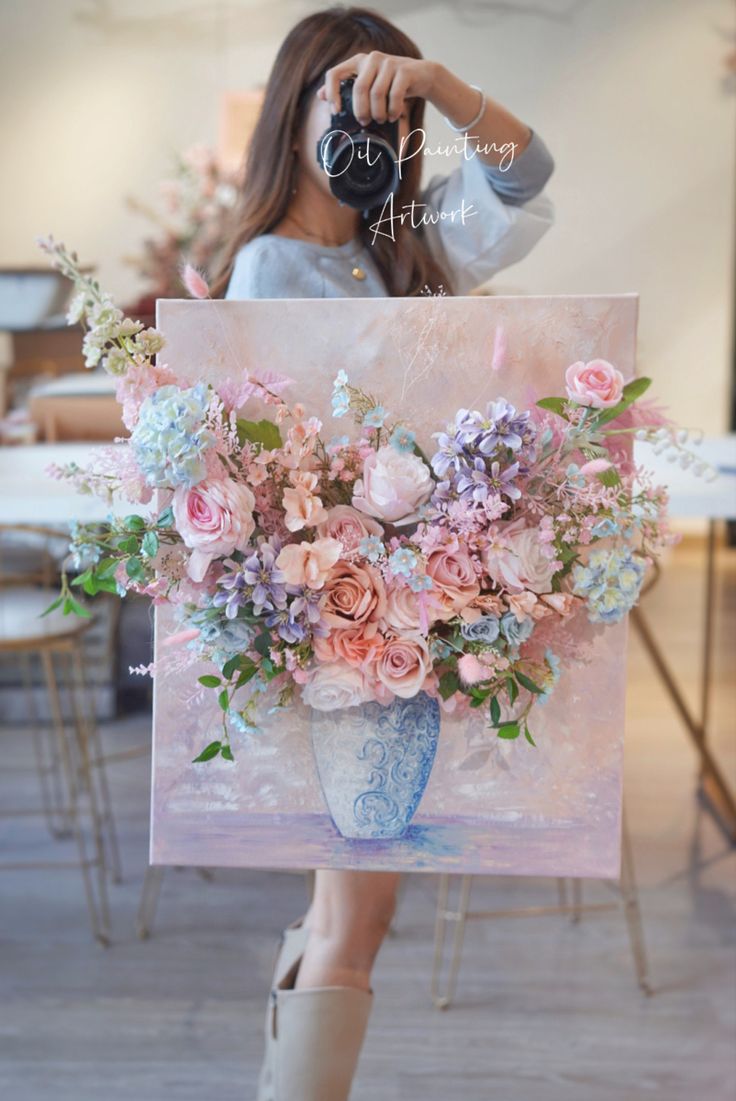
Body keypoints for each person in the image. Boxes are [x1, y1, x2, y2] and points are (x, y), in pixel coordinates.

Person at [210, 6, 555, 1099]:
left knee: (352, 900)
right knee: (357, 904)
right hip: (340, 633)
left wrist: (440, 84)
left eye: (385, 105)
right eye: (343, 96)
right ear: (291, 109)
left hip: (403, 623)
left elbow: (527, 172)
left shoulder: (404, 241)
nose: (367, 122)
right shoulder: (266, 268)